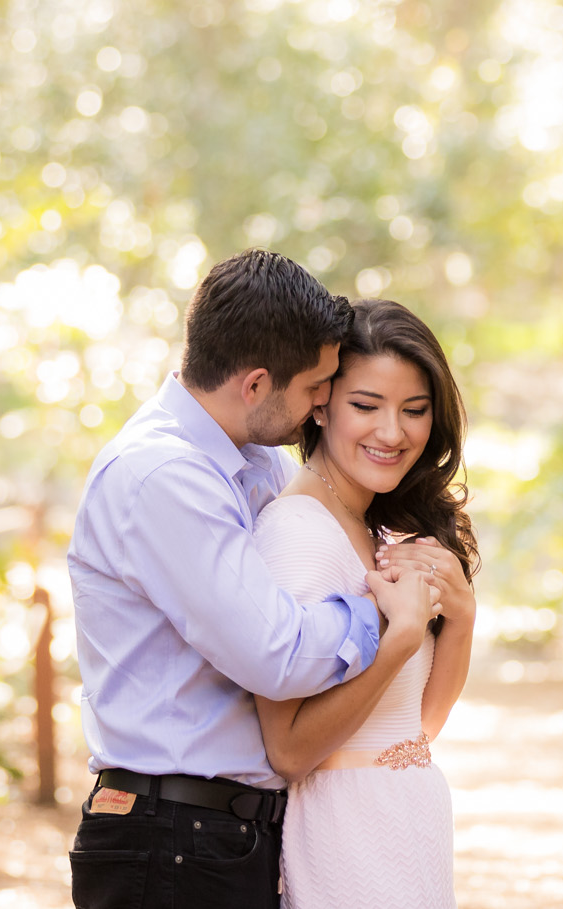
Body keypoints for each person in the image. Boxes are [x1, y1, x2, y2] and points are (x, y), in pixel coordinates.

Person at [67, 251, 441, 909]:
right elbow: (275, 654)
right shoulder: (162, 475)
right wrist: (384, 613)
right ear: (256, 383)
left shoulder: (253, 461)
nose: (322, 401)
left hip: (222, 830)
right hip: (168, 831)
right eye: (315, 387)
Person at [251, 298, 478, 909]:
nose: (392, 432)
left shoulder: (377, 531)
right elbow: (290, 750)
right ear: (321, 405)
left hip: (409, 818)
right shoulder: (300, 533)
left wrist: (460, 619)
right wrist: (400, 639)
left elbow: (419, 728)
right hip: (346, 834)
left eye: (415, 411)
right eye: (366, 406)